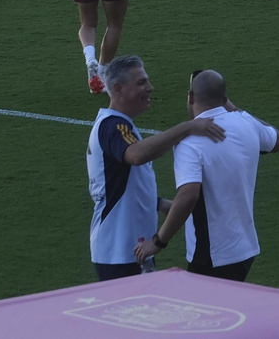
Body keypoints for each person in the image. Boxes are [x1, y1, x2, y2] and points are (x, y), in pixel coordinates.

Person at [134, 70, 279, 282]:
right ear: (224, 99)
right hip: (245, 248)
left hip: (213, 254)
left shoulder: (189, 143)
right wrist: (235, 110)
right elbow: (278, 141)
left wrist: (158, 242)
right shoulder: (246, 123)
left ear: (191, 97)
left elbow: (188, 196)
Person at [87, 55, 226, 281]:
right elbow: (137, 155)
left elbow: (119, 183)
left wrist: (160, 204)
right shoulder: (113, 126)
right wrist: (187, 128)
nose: (150, 88)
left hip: (129, 247)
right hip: (119, 250)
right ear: (118, 88)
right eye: (141, 83)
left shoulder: (119, 125)